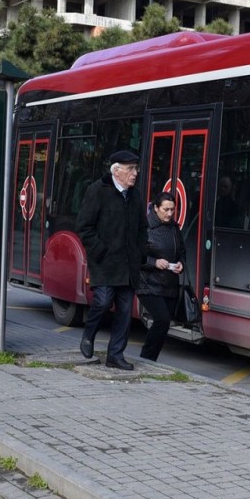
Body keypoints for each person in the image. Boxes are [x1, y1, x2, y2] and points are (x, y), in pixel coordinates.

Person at [76, 149, 147, 369]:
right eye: (130, 169)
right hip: (105, 262)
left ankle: (115, 355)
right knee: (103, 301)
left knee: (125, 312)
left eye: (136, 169)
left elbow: (142, 228)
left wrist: (140, 252)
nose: (135, 173)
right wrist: (100, 251)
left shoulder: (135, 195)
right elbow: (84, 227)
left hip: (128, 264)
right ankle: (88, 335)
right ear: (116, 171)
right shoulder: (97, 191)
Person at [137, 191, 185, 361]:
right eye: (166, 209)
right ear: (156, 208)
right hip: (147, 283)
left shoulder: (174, 228)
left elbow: (181, 251)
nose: (169, 214)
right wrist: (154, 263)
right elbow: (135, 255)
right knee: (162, 320)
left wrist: (181, 263)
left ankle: (150, 358)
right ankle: (146, 358)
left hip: (169, 284)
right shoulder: (145, 227)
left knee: (164, 324)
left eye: (172, 210)